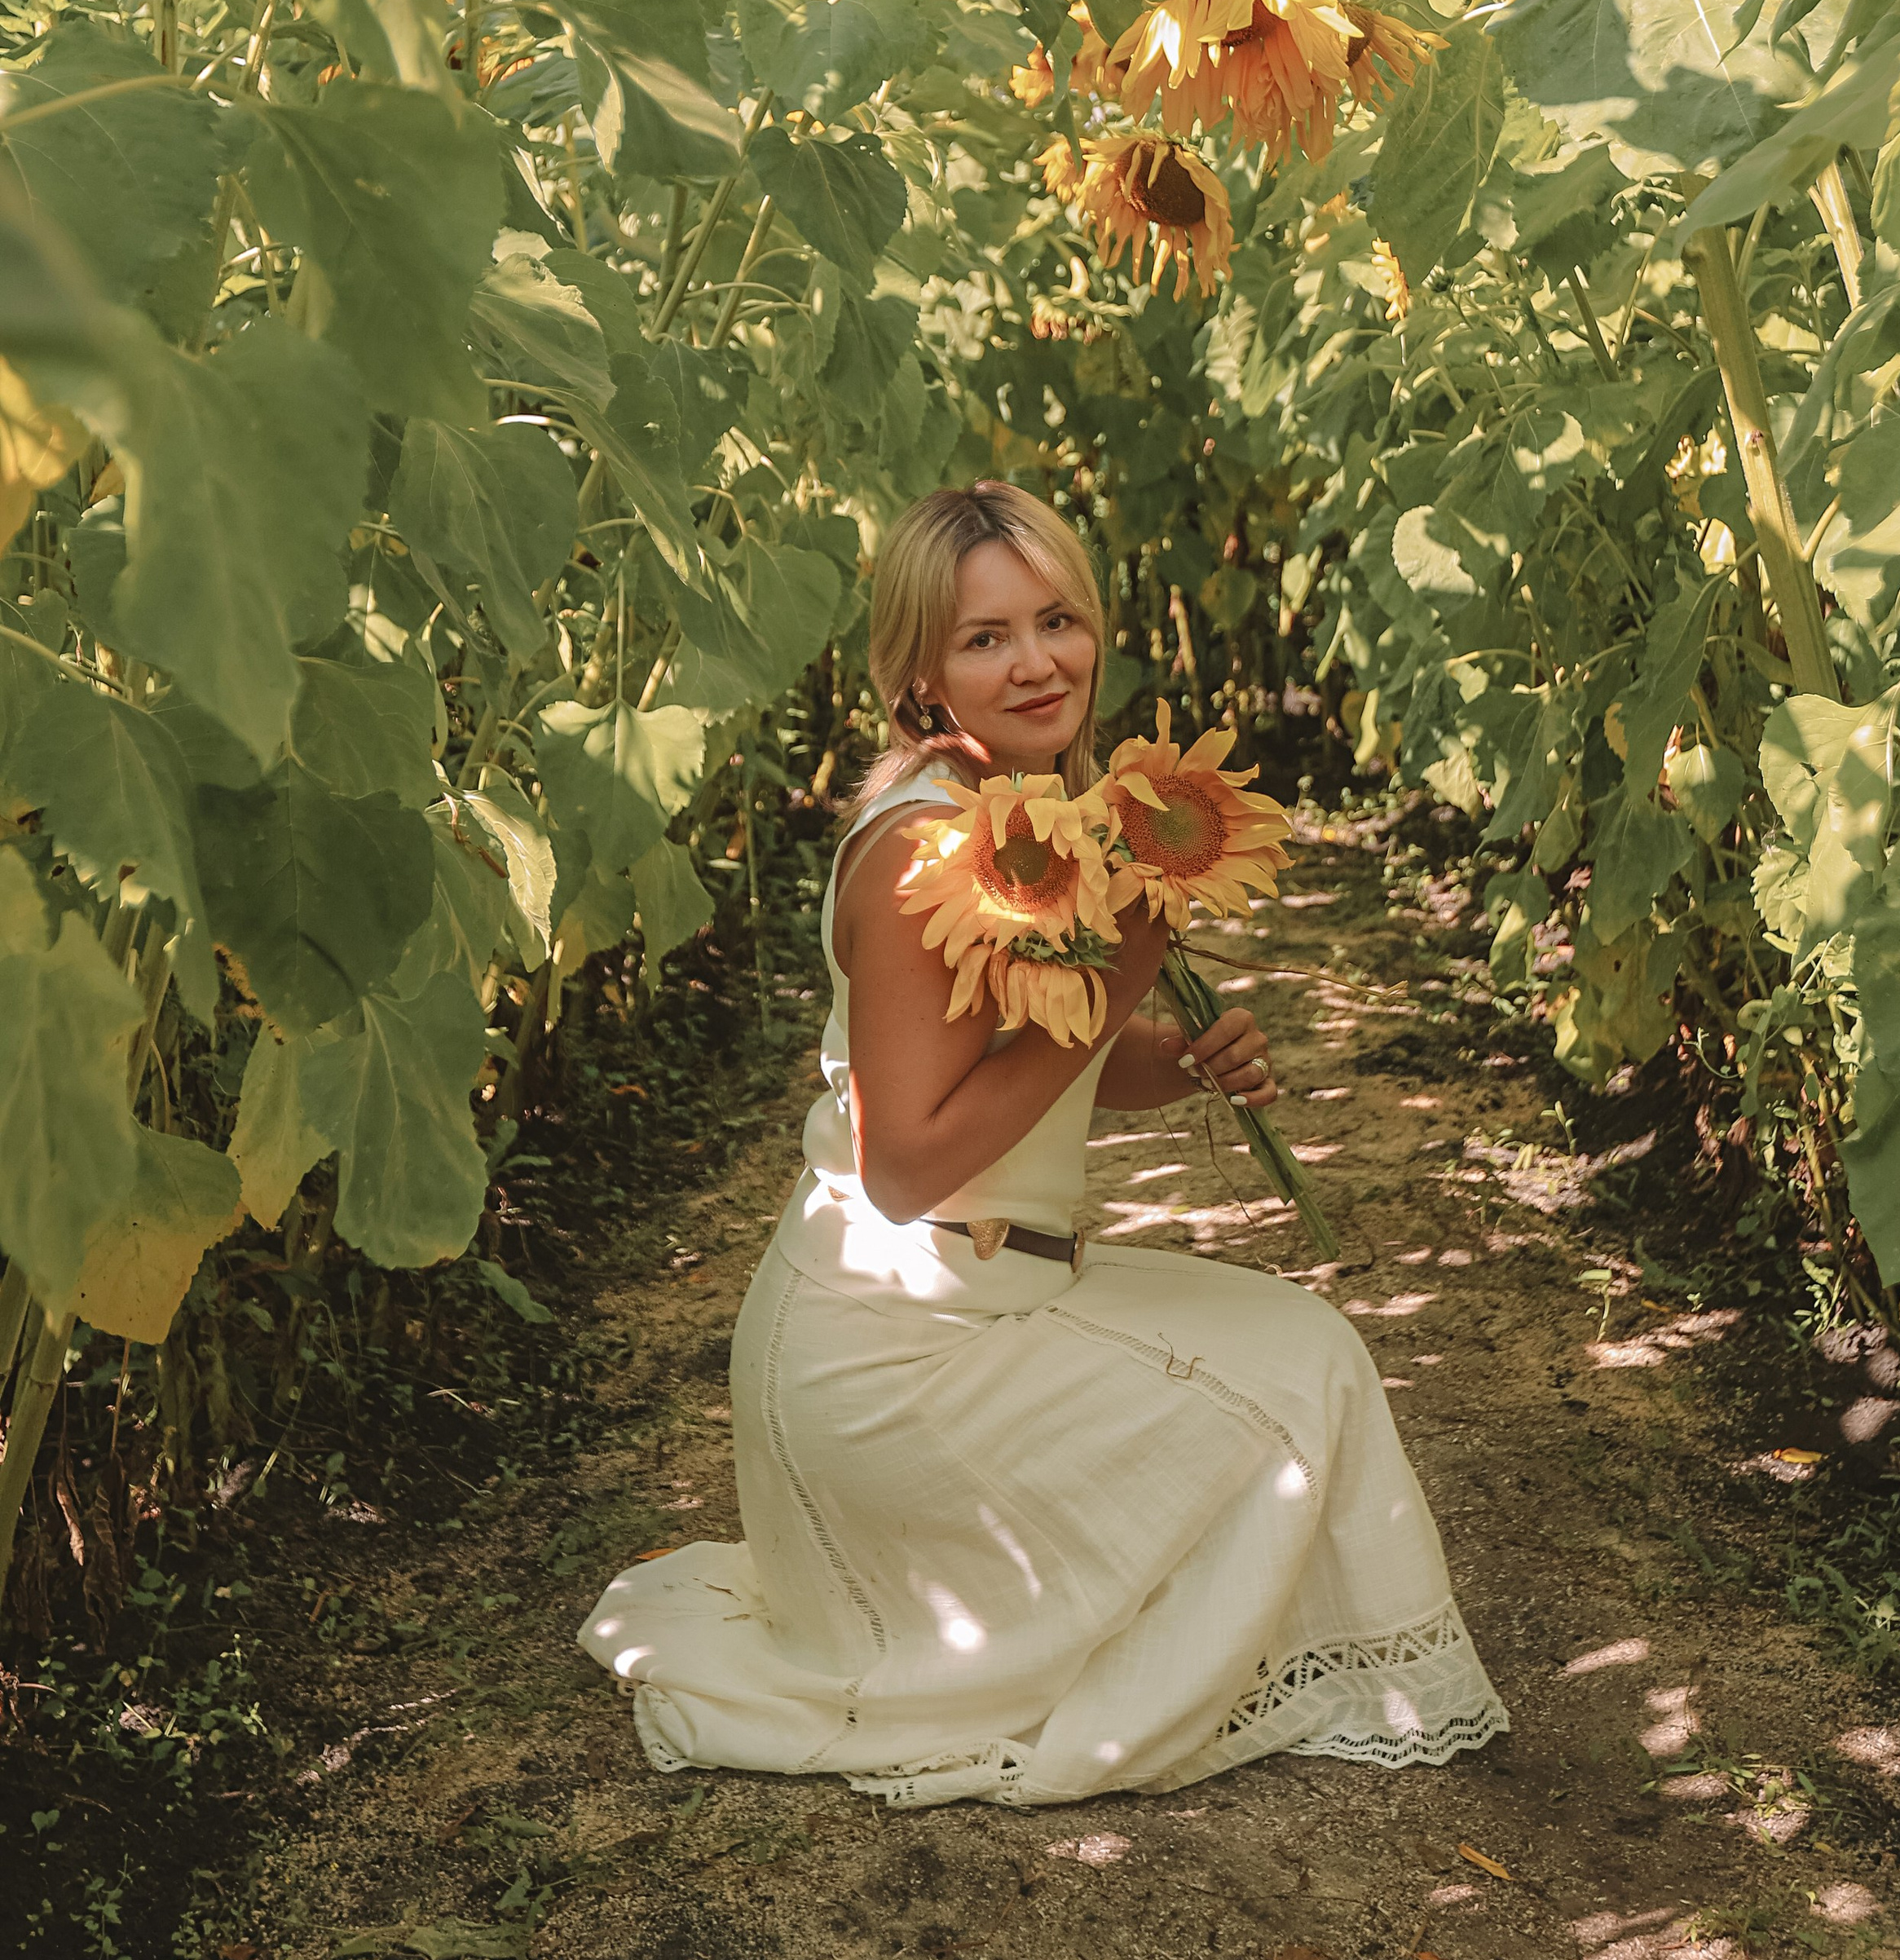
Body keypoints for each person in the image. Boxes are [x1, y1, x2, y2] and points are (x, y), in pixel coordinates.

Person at [579, 480, 1504, 1806]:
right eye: (985, 639)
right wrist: (1126, 976)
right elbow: (907, 1163)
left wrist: (1173, 1061)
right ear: (917, 676)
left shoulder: (1021, 806)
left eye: (1057, 619)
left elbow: (1022, 1057)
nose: (1036, 661)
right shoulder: (923, 857)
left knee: (1293, 1347)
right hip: (891, 1363)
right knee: (1305, 1373)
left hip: (981, 1298)